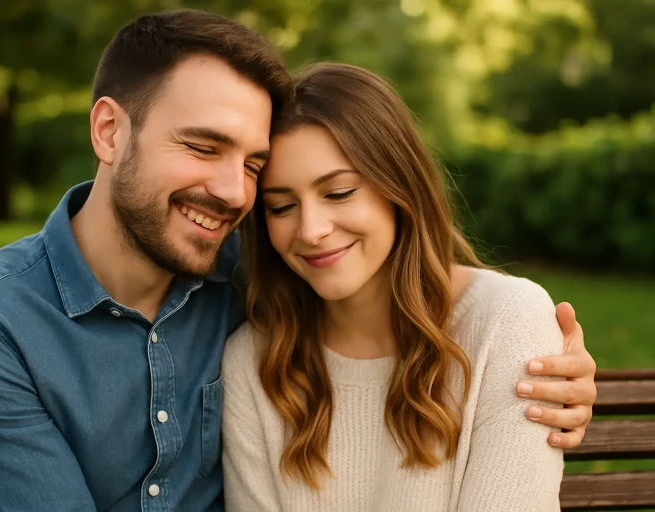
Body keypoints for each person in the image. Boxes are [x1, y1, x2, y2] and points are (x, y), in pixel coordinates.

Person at [0, 10, 594, 512]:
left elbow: (403, 286)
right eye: (203, 147)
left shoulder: (270, 271)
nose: (234, 193)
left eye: (252, 166)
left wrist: (539, 356)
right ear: (110, 131)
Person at [221, 63, 580, 511]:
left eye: (339, 193)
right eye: (280, 206)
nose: (310, 230)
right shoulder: (253, 362)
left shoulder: (506, 323)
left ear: (399, 186)